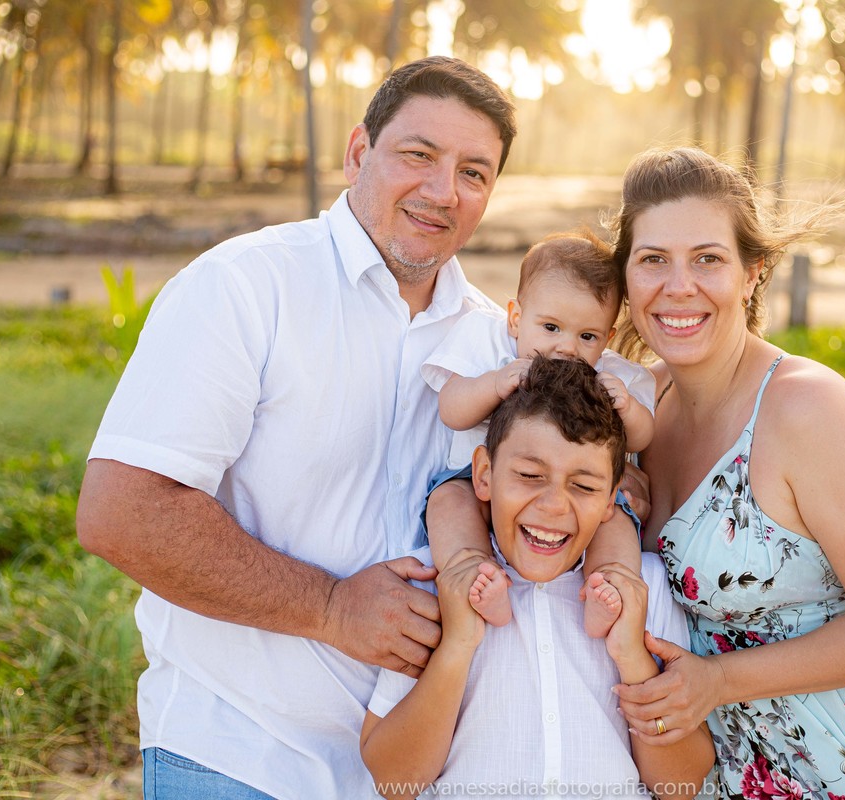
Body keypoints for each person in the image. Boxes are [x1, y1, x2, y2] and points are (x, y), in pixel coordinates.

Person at [74, 57, 518, 799]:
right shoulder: (246, 286)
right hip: (237, 754)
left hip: (414, 773)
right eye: (418, 155)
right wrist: (330, 607)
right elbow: (122, 511)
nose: (444, 191)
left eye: (474, 172)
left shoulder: (495, 346)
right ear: (357, 153)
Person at [605, 147, 845, 799]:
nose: (678, 286)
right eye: (652, 261)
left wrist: (719, 681)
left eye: (708, 258)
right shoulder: (632, 410)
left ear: (753, 272)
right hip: (721, 776)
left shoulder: (807, 409)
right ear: (626, 278)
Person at [361, 355, 713, 800]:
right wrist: (456, 647)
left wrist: (631, 658)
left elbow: (682, 785)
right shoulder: (434, 581)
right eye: (530, 476)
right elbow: (393, 780)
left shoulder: (644, 587)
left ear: (611, 499)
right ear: (484, 475)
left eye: (584, 486)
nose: (553, 506)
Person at [422, 230, 653, 636]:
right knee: (447, 502)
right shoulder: (485, 340)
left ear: (607, 337)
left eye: (587, 336)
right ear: (515, 317)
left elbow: (642, 439)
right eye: (550, 327)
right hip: (471, 479)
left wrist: (628, 408)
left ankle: (608, 585)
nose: (566, 347)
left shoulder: (615, 374)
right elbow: (450, 408)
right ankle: (473, 574)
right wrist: (494, 384)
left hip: (577, 494)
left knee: (615, 516)